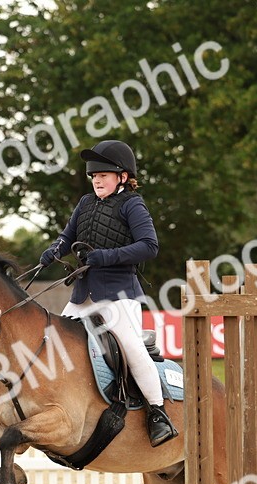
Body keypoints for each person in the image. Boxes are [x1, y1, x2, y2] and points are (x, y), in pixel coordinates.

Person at [38, 140, 176, 447]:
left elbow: (149, 246)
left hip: (118, 294)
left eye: (103, 174)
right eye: (93, 175)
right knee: (52, 342)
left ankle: (158, 412)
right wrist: (54, 251)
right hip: (83, 294)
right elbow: (67, 236)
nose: (97, 180)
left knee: (130, 347)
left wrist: (106, 256)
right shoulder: (86, 203)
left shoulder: (132, 204)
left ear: (122, 177)